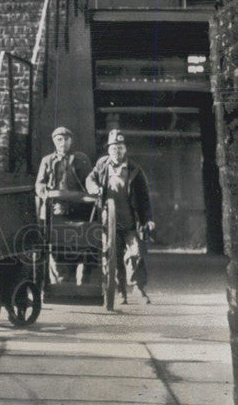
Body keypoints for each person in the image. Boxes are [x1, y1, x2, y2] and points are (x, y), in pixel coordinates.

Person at [85, 130, 155, 304]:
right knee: (112, 257)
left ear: (125, 150)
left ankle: (139, 289)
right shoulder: (102, 165)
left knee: (135, 254)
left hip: (131, 221)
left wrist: (148, 219)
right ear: (109, 150)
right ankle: (120, 292)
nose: (117, 152)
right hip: (108, 222)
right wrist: (94, 188)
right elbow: (90, 179)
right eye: (114, 148)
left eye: (120, 148)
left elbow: (144, 197)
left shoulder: (134, 169)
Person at [35, 126, 92, 282]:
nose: (63, 143)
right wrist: (44, 193)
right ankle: (62, 279)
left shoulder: (81, 158)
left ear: (71, 141)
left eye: (66, 139)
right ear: (54, 141)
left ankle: (78, 277)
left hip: (78, 207)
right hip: (55, 208)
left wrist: (92, 190)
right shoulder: (46, 161)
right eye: (59, 139)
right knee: (56, 243)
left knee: (78, 241)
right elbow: (39, 184)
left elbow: (89, 180)